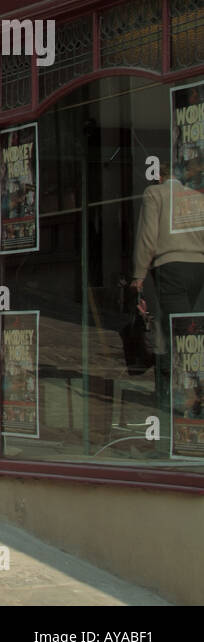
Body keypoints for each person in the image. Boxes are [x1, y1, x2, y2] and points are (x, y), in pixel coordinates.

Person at [131, 165, 204, 438]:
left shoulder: (155, 194)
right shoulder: (197, 197)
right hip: (199, 266)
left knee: (174, 334)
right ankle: (194, 394)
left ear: (160, 175)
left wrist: (139, 273)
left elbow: (147, 235)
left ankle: (176, 397)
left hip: (170, 266)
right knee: (193, 333)